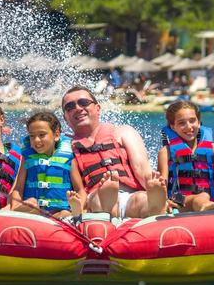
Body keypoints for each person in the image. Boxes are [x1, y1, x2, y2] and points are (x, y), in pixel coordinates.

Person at [61, 85, 167, 218]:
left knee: (142, 201)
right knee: (99, 200)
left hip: (132, 194)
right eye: (70, 107)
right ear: (65, 117)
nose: (78, 108)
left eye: (83, 103)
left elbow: (140, 166)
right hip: (95, 196)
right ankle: (109, 208)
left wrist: (151, 184)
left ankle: (156, 208)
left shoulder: (123, 132)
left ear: (98, 108)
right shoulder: (63, 146)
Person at [8, 111, 85, 218]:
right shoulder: (27, 158)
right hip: (35, 210)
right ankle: (21, 210)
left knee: (65, 213)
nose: (36, 140)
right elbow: (18, 188)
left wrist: (78, 204)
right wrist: (15, 205)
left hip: (59, 211)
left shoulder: (67, 158)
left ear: (56, 135)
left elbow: (80, 189)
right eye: (32, 136)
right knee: (32, 202)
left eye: (42, 135)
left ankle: (75, 212)